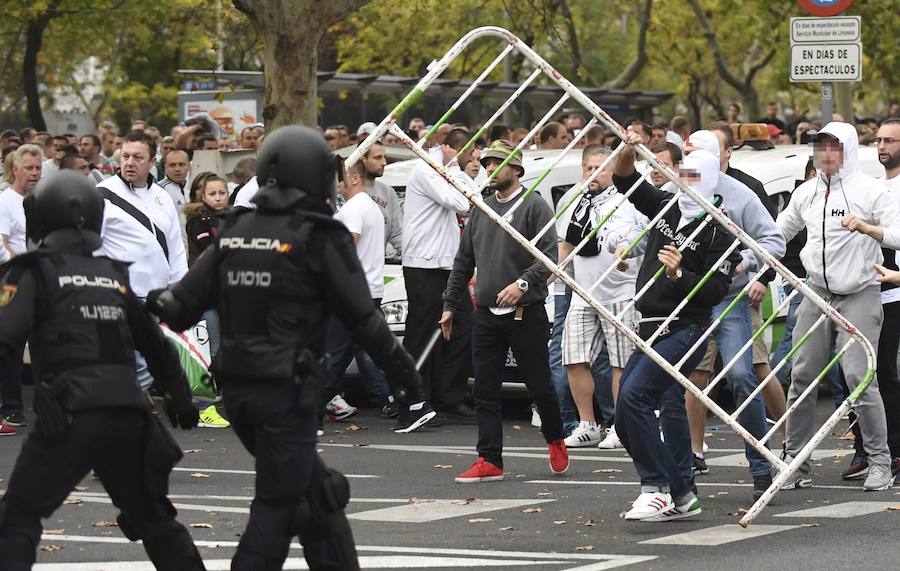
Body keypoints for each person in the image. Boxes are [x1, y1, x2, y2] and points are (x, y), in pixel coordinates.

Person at [148, 126, 440, 570]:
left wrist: (165, 368)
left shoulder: (237, 230)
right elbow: (364, 320)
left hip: (240, 395)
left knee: (320, 496)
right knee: (278, 504)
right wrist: (408, 376)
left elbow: (178, 307)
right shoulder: (320, 235)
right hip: (286, 391)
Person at [0, 171, 204, 570]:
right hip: (129, 414)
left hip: (70, 412)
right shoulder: (113, 275)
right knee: (152, 517)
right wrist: (179, 396)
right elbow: (155, 343)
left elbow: (6, 338)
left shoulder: (32, 271)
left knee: (17, 518)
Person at [611, 128, 740, 521]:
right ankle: (682, 492)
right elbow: (624, 179)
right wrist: (627, 149)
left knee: (635, 398)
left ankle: (658, 488)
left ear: (711, 180)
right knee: (624, 413)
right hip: (649, 324)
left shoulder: (720, 231)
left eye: (696, 177)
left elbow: (716, 291)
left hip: (686, 328)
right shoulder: (667, 205)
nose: (687, 184)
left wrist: (680, 274)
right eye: (685, 175)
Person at [777, 121, 900, 491]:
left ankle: (880, 461)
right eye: (820, 148)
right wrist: (752, 258)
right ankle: (795, 464)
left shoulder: (872, 190)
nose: (827, 155)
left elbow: (897, 234)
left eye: (834, 148)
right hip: (816, 293)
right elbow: (779, 231)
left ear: (847, 151)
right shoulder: (807, 193)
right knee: (801, 378)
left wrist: (867, 228)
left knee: (859, 379)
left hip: (859, 293)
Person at [440, 140, 569, 483]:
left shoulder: (534, 206)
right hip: (485, 314)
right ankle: (490, 459)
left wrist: (522, 285)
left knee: (540, 386)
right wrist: (451, 304)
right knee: (484, 389)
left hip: (526, 313)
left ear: (516, 169)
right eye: (487, 163)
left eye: (498, 163)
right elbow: (463, 261)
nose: (490, 169)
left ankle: (555, 439)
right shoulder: (481, 208)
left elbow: (547, 256)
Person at [676, 130, 785, 499]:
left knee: (741, 374)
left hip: (727, 299)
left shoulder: (741, 194)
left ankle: (760, 466)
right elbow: (651, 230)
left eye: (696, 162)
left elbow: (774, 240)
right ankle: (683, 468)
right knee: (685, 379)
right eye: (684, 162)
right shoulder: (677, 192)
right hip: (685, 300)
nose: (688, 171)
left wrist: (745, 264)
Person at [561, 145, 646, 448]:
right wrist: (553, 273)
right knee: (573, 358)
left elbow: (638, 238)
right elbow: (566, 243)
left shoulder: (628, 200)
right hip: (582, 292)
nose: (592, 174)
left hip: (619, 291)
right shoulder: (573, 200)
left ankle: (620, 426)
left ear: (612, 170)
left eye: (600, 168)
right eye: (587, 167)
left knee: (621, 364)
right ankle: (587, 424)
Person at [95, 130, 189, 399]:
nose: (129, 162)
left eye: (138, 157)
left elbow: (175, 247)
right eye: (125, 156)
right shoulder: (103, 194)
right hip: (121, 296)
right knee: (133, 362)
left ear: (152, 162)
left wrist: (179, 290)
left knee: (149, 362)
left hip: (157, 297)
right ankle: (123, 408)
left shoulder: (162, 197)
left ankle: (126, 406)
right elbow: (92, 246)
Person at [402, 128, 476, 422]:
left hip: (447, 264)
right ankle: (410, 401)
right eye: (468, 155)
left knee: (462, 330)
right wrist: (457, 169)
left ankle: (449, 396)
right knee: (422, 334)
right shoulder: (426, 168)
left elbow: (473, 196)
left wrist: (459, 171)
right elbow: (463, 202)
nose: (473, 162)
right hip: (424, 263)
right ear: (448, 148)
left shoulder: (446, 170)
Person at [843, 119, 900, 481]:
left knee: (883, 374)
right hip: (864, 291)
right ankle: (865, 447)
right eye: (878, 140)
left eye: (890, 141)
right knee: (854, 373)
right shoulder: (874, 187)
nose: (881, 146)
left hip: (894, 290)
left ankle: (891, 450)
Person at [322, 158, 394, 424]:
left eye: (338, 177)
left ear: (353, 178)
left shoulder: (353, 208)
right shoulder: (370, 207)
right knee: (360, 351)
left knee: (335, 353)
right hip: (367, 291)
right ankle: (401, 399)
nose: (335, 183)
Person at [361, 141, 403, 258]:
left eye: (384, 157)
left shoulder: (388, 192)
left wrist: (413, 257)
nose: (384, 163)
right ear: (362, 159)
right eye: (377, 158)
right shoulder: (346, 191)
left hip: (377, 269)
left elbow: (398, 234)